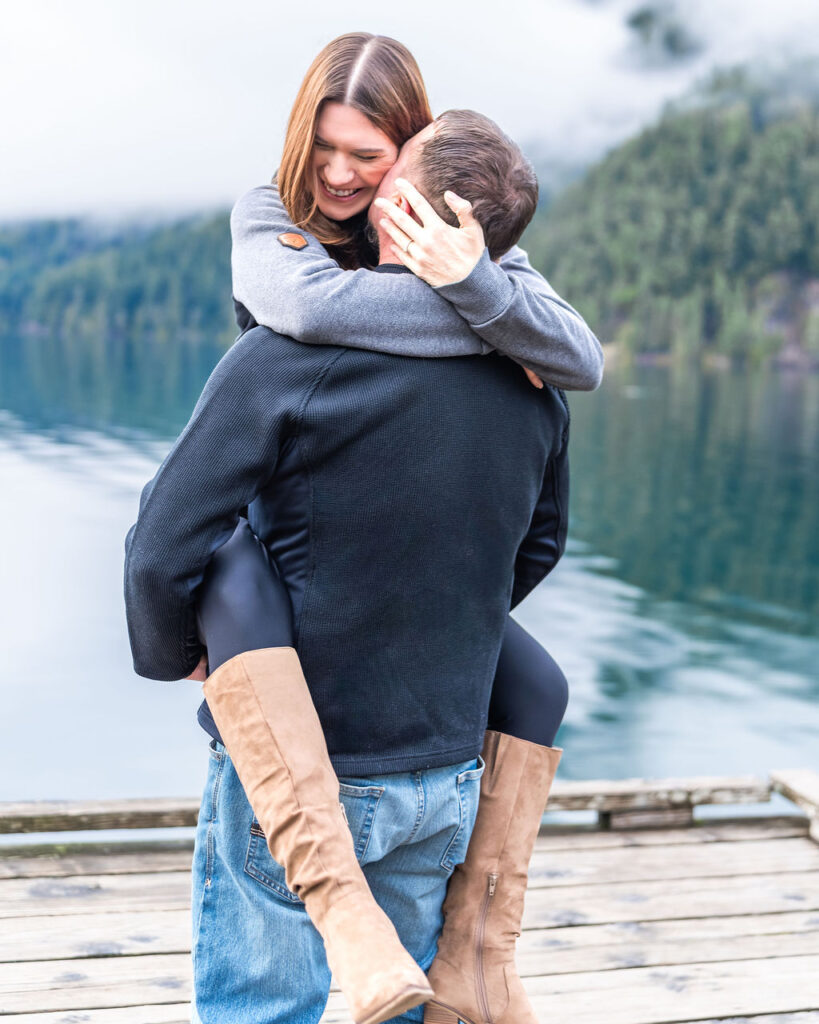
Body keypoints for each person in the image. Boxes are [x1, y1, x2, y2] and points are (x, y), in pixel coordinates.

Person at [124, 32, 597, 1024]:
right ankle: (481, 963)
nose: (344, 179)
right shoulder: (529, 380)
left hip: (301, 755)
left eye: (372, 163)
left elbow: (166, 541)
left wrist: (187, 658)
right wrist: (419, 613)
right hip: (442, 764)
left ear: (410, 189)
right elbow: (539, 542)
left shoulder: (288, 358)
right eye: (327, 153)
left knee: (265, 1010)